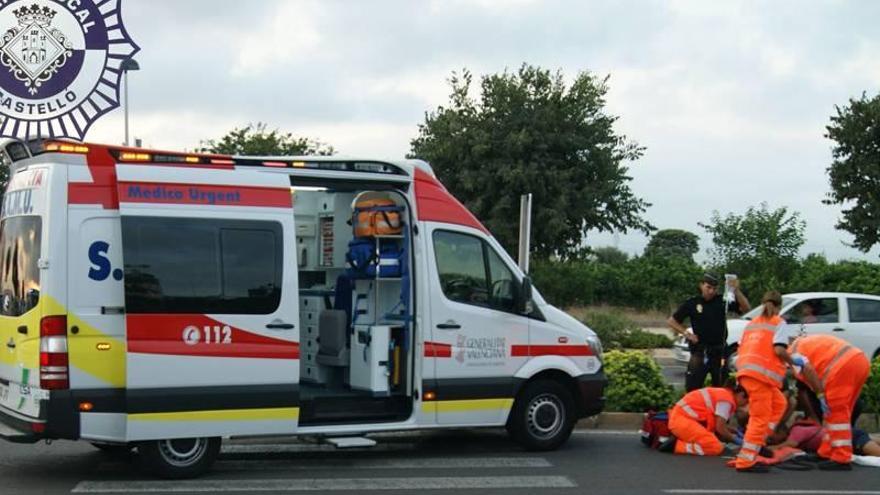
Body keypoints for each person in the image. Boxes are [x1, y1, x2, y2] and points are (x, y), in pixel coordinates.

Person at [780, 334, 871, 470]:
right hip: (857, 362)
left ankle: (841, 457)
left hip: (843, 367)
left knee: (836, 413)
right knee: (834, 414)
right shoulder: (803, 343)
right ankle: (827, 451)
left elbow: (808, 370)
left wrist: (820, 394)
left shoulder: (791, 354)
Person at [734, 291, 789, 473]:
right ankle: (746, 460)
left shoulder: (752, 324)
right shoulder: (778, 323)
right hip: (760, 378)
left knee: (780, 403)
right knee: (760, 418)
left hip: (747, 373)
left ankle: (758, 442)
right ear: (779, 307)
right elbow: (780, 351)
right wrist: (792, 360)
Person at [668, 273, 750, 391]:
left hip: (719, 351)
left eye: (714, 288)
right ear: (701, 285)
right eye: (708, 287)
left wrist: (736, 290)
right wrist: (687, 334)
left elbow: (746, 309)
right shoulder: (692, 303)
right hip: (700, 351)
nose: (711, 291)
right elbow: (672, 321)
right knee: (693, 387)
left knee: (723, 388)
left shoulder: (722, 301)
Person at [662, 383, 748, 456]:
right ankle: (676, 446)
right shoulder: (727, 401)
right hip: (683, 422)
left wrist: (730, 430)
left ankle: (677, 441)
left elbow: (717, 423)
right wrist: (736, 440)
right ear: (741, 395)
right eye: (746, 401)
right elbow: (720, 428)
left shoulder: (724, 394)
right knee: (715, 447)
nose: (745, 405)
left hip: (681, 420)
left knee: (712, 442)